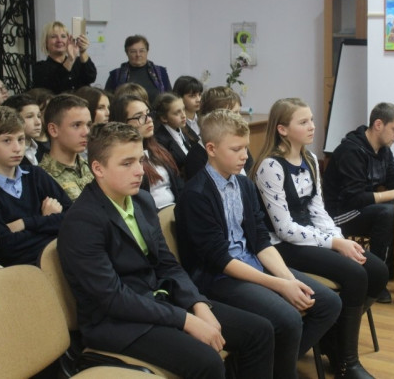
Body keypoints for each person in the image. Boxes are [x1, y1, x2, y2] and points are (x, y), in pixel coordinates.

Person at [58, 121, 274, 379]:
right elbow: (112, 298)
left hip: (158, 301)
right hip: (119, 323)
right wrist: (185, 319)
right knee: (207, 362)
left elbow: (167, 264)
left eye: (140, 160)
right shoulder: (82, 222)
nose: (139, 171)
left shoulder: (141, 200)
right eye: (127, 163)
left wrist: (197, 303)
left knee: (259, 332)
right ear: (98, 168)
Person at [176, 109, 341, 379]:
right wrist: (280, 285)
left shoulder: (244, 184)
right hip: (218, 278)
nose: (245, 155)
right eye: (236, 149)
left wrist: (288, 279)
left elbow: (261, 241)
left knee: (328, 303)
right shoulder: (196, 194)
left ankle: (273, 366)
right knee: (288, 318)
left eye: (245, 147)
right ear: (211, 149)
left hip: (251, 264)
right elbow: (220, 259)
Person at [252, 98, 388, 379]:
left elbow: (318, 210)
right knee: (355, 274)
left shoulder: (311, 159)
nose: (312, 126)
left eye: (312, 119)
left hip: (312, 237)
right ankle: (346, 361)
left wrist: (338, 238)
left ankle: (332, 338)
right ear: (282, 130)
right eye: (303, 122)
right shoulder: (270, 167)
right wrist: (334, 244)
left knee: (377, 270)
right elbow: (284, 228)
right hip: (283, 246)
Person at [323, 102, 394, 303]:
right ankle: (376, 281)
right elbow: (355, 198)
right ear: (378, 124)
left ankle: (393, 270)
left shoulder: (383, 150)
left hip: (363, 209)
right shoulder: (350, 151)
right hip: (341, 213)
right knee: (387, 214)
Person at [0, 106, 71, 266]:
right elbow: (5, 247)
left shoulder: (35, 174)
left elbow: (73, 217)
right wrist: (49, 223)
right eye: (7, 141)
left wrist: (25, 223)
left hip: (61, 260)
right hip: (20, 272)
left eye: (21, 139)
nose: (17, 148)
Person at [110, 94, 182, 209]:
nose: (149, 120)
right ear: (123, 123)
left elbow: (178, 185)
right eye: (139, 116)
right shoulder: (123, 160)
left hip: (175, 210)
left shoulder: (158, 148)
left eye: (148, 114)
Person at [184, 86, 252, 180]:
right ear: (215, 117)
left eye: (239, 112)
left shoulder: (240, 145)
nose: (240, 118)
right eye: (234, 113)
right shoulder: (196, 158)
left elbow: (250, 177)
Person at [39, 94, 94, 201]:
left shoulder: (93, 166)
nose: (86, 132)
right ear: (53, 130)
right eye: (76, 125)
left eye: (88, 125)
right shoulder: (42, 178)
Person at [32, 21, 96, 94]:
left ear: (68, 40)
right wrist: (70, 60)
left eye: (63, 36)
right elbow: (55, 87)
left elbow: (91, 77)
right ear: (46, 42)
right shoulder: (40, 67)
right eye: (53, 37)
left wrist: (83, 52)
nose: (59, 40)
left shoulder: (78, 62)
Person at [105, 35, 171, 105]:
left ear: (147, 51)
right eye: (133, 51)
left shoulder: (161, 73)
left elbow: (170, 99)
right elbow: (108, 101)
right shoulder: (115, 75)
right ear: (127, 53)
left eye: (142, 51)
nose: (138, 55)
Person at [154, 92, 199, 176]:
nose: (183, 115)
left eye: (183, 109)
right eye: (177, 113)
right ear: (164, 118)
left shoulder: (183, 127)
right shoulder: (160, 141)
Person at [2, 94, 44, 166]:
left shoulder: (43, 149)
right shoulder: (6, 154)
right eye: (29, 116)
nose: (38, 122)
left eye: (39, 116)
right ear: (12, 119)